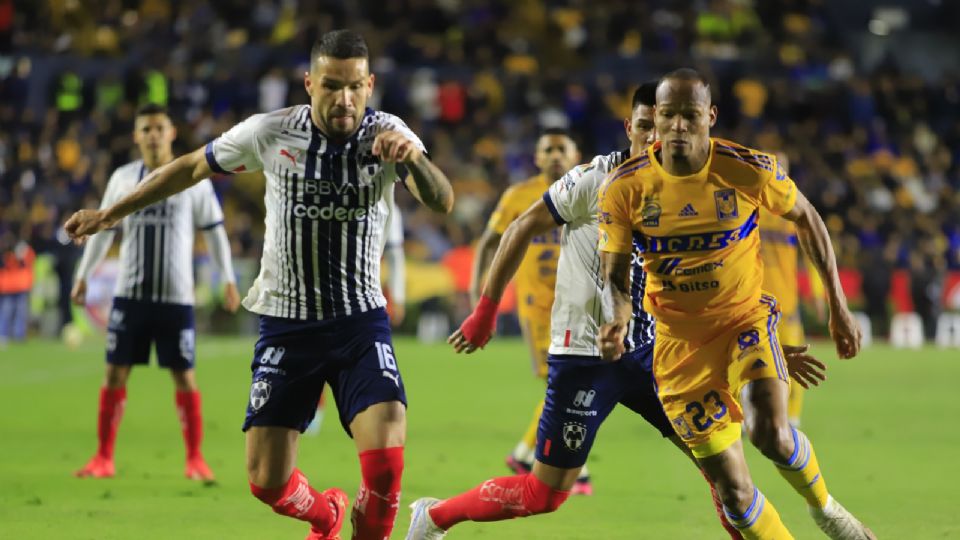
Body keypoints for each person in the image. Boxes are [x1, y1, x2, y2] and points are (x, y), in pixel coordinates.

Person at [65, 30, 454, 540]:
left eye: (356, 86)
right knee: (267, 481)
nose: (345, 99)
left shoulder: (389, 133)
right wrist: (110, 214)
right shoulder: (272, 131)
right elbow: (188, 168)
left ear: (370, 84)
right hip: (289, 323)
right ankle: (326, 515)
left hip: (360, 322)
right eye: (332, 85)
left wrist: (413, 160)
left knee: (385, 466)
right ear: (309, 82)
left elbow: (441, 199)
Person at [407, 82, 825, 539]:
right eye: (643, 127)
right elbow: (520, 227)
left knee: (728, 477)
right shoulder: (596, 179)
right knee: (545, 493)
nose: (653, 137)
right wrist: (485, 310)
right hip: (585, 356)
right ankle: (433, 517)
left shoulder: (686, 189)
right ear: (630, 127)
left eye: (660, 126)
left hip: (656, 354)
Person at [597, 69, 873, 539]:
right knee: (734, 491)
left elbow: (807, 218)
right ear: (655, 120)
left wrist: (837, 306)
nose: (678, 126)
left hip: (744, 318)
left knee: (770, 430)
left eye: (689, 115)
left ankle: (828, 511)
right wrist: (617, 318)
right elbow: (615, 276)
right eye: (668, 116)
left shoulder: (746, 168)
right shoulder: (625, 187)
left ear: (711, 116)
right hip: (678, 345)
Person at [72, 103, 240, 481]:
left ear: (172, 133)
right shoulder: (122, 178)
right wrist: (84, 275)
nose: (152, 135)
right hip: (130, 295)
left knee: (184, 376)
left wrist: (227, 278)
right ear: (136, 136)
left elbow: (214, 232)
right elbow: (103, 229)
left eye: (158, 128)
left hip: (176, 299)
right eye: (145, 128)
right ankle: (103, 457)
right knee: (114, 373)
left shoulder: (192, 179)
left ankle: (195, 459)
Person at [469, 128, 589, 492]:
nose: (554, 155)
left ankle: (526, 453)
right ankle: (559, 463)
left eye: (561, 148)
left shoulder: (590, 189)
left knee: (572, 382)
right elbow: (490, 242)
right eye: (547, 150)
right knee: (563, 382)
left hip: (581, 306)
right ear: (536, 158)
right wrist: (480, 292)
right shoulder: (520, 196)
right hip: (538, 308)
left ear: (575, 154)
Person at [757, 153, 825, 426]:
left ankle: (792, 419)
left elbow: (812, 255)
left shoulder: (796, 211)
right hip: (754, 303)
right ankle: (747, 417)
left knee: (794, 361)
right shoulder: (750, 206)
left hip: (787, 304)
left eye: (781, 169)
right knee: (748, 361)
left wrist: (818, 295)